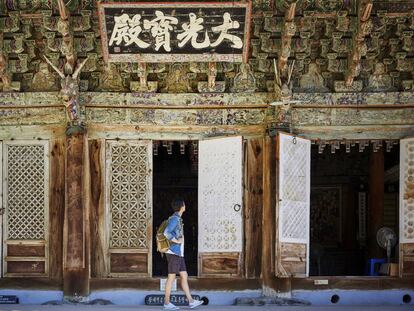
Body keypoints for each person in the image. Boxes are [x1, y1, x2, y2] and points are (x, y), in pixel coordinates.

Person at [162, 198, 203, 310]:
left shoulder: (178, 218)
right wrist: (176, 241)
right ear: (182, 206)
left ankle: (191, 301)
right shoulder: (175, 219)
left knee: (184, 276)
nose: (185, 206)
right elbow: (166, 233)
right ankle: (166, 303)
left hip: (178, 253)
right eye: (184, 204)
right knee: (171, 277)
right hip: (173, 252)